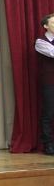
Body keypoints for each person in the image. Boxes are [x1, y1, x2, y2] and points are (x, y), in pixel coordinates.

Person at [35, 13, 54, 156]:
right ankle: (48, 144)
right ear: (46, 26)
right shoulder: (40, 41)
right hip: (50, 82)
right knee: (49, 113)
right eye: (53, 23)